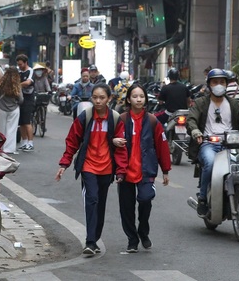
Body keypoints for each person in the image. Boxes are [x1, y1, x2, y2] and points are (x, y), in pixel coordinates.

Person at [187, 68, 239, 218]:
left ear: (227, 84)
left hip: (233, 144)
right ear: (209, 85)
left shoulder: (234, 103)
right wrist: (195, 131)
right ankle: (202, 198)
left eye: (222, 82)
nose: (219, 85)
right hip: (209, 143)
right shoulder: (201, 102)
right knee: (209, 163)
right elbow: (192, 119)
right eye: (215, 82)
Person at [55, 84, 120, 256]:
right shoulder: (85, 117)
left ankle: (95, 238)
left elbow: (122, 147)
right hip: (88, 166)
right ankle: (90, 242)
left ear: (109, 99)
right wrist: (64, 164)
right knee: (91, 199)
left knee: (100, 204)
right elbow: (72, 141)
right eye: (95, 97)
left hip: (107, 168)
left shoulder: (115, 118)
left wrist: (121, 170)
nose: (98, 101)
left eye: (102, 98)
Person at [112, 83, 170, 253]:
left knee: (145, 199)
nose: (138, 99)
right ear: (129, 99)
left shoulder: (153, 121)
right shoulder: (121, 120)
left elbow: (162, 146)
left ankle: (143, 232)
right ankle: (132, 239)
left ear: (145, 99)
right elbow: (108, 141)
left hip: (146, 170)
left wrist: (165, 170)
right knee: (126, 207)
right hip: (125, 171)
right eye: (135, 96)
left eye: (141, 96)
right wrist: (113, 141)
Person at [0, 67, 24, 155]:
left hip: (2, 108)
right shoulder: (17, 85)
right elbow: (21, 99)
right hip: (14, 109)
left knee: (1, 128)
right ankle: (9, 149)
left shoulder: (2, 84)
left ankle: (0, 147)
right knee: (12, 129)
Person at [16, 54, 36, 152]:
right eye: (18, 65)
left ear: (25, 62)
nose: (19, 66)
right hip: (19, 99)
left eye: (21, 64)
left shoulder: (30, 71)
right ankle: (24, 142)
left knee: (27, 121)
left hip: (28, 99)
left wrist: (18, 85)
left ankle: (30, 142)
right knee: (21, 122)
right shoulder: (18, 71)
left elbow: (28, 83)